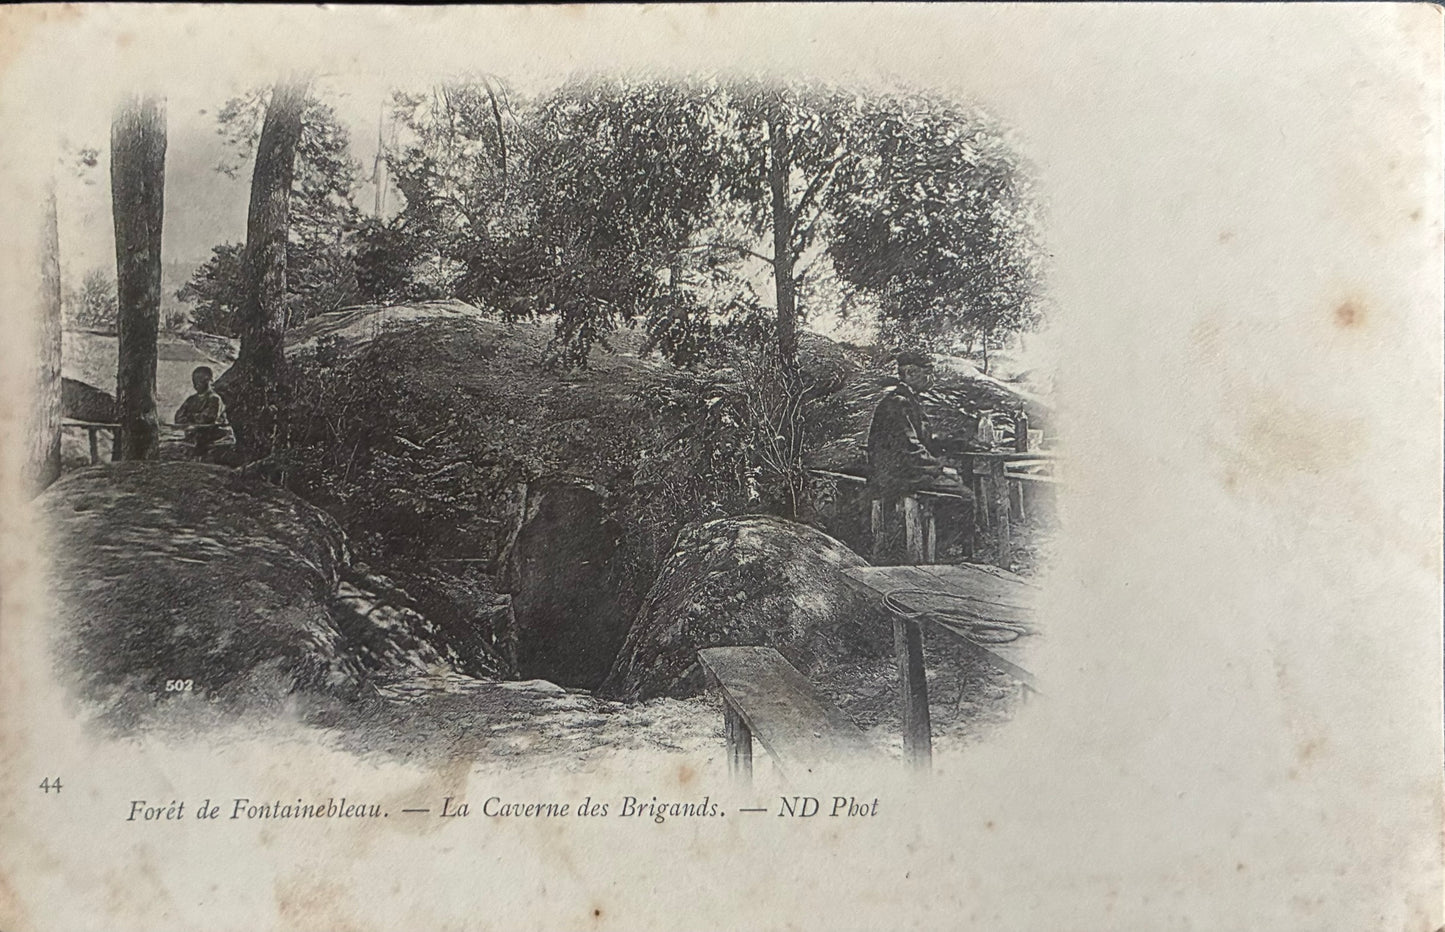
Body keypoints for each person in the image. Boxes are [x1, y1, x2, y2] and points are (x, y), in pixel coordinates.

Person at [866, 351, 972, 562]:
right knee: (965, 496)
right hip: (897, 475)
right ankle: (950, 555)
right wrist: (940, 469)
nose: (931, 379)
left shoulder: (907, 400)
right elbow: (910, 448)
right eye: (928, 373)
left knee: (957, 483)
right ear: (911, 373)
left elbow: (924, 441)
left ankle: (945, 550)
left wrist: (960, 443)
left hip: (904, 470)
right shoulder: (898, 402)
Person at [174, 366, 229, 460]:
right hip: (195, 435)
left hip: (213, 436)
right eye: (194, 381)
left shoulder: (214, 399)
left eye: (200, 381)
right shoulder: (191, 400)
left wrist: (189, 417)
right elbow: (178, 417)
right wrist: (194, 418)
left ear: (209, 381)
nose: (196, 385)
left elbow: (208, 418)